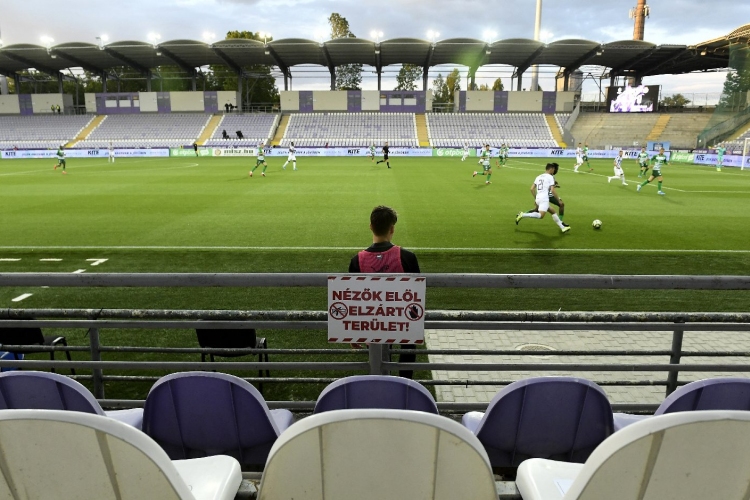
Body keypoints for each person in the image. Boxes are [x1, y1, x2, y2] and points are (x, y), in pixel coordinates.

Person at [349, 205, 420, 379]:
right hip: (403, 321)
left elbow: (352, 300)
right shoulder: (407, 257)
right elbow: (417, 296)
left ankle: (379, 382)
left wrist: (353, 334)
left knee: (375, 350)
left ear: (371, 226)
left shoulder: (357, 261)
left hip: (372, 321)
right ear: (392, 229)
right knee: (409, 343)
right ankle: (405, 384)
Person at [515, 163, 570, 233]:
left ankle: (562, 227)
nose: (554, 171)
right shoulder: (550, 177)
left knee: (553, 211)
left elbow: (531, 189)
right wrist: (558, 200)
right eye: (554, 169)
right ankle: (523, 214)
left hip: (538, 197)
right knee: (540, 215)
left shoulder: (538, 177)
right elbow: (552, 190)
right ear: (551, 169)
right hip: (544, 198)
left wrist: (536, 198)